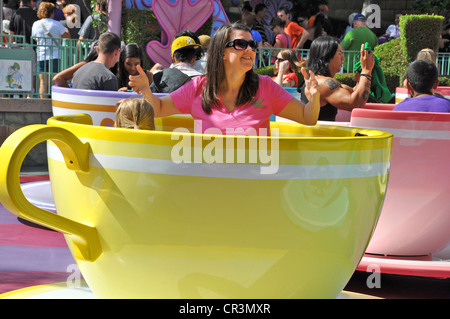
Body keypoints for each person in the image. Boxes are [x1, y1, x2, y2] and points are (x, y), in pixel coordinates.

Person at [128, 22, 320, 136]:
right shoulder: (198, 87)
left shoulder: (266, 87)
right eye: (240, 44)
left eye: (252, 45)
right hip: (209, 185)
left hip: (253, 188)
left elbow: (307, 117)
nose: (249, 49)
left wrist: (314, 98)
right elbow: (159, 109)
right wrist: (146, 90)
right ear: (222, 53)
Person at [300, 36, 374, 121]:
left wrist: (361, 78)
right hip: (320, 134)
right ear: (326, 56)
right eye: (339, 54)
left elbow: (353, 93)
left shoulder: (323, 81)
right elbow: (356, 104)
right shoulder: (323, 84)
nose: (343, 58)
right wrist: (366, 71)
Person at [31, 1, 70, 98]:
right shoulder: (57, 24)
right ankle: (54, 101)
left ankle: (42, 102)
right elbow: (67, 37)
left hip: (41, 55)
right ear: (52, 12)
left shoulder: (36, 24)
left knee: (42, 81)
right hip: (55, 55)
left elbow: (35, 39)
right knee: (54, 80)